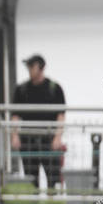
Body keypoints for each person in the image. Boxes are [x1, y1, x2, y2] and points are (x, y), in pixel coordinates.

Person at [10, 54, 67, 193]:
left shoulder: (54, 88)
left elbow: (61, 115)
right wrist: (14, 136)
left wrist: (57, 137)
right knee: (31, 177)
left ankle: (51, 202)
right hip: (28, 138)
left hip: (49, 138)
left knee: (52, 178)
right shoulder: (21, 89)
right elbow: (15, 115)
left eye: (31, 66)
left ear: (41, 67)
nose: (29, 69)